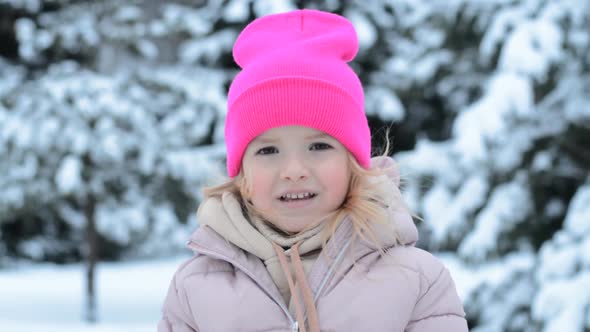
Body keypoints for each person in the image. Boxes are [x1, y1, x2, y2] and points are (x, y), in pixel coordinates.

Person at [159, 9, 468, 332]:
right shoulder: (196, 288)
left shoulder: (416, 279)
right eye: (268, 150)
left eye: (319, 147)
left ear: (353, 163)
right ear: (242, 173)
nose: (294, 170)